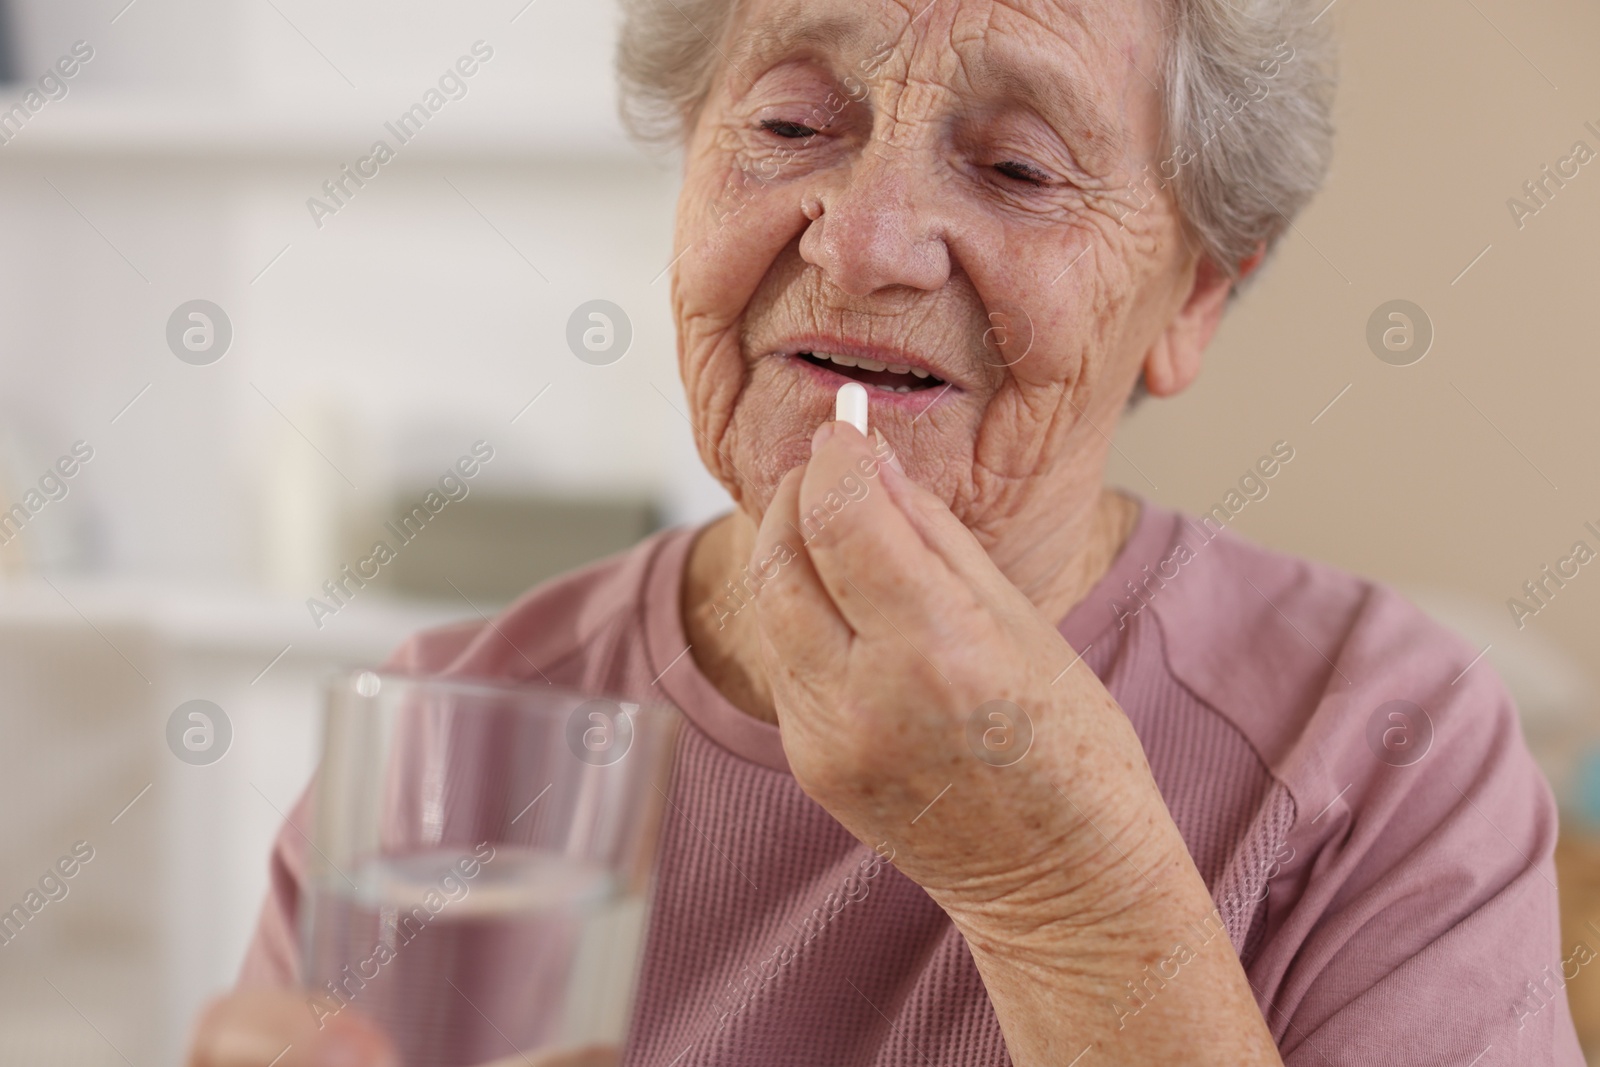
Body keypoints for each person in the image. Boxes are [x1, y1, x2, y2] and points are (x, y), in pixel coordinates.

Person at [186, 0, 1585, 1063]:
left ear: (1197, 298)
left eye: (1022, 168)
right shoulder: (448, 733)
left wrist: (1068, 894)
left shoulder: (1399, 742)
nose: (861, 244)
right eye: (790, 129)